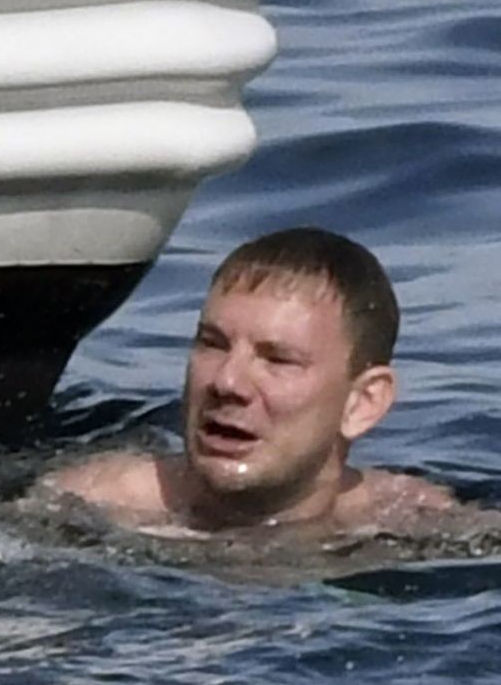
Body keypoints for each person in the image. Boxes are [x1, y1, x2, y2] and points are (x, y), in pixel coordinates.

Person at [38, 228, 458, 535]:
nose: (227, 381)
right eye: (212, 344)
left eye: (278, 360)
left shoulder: (413, 522)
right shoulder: (89, 508)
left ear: (362, 403)